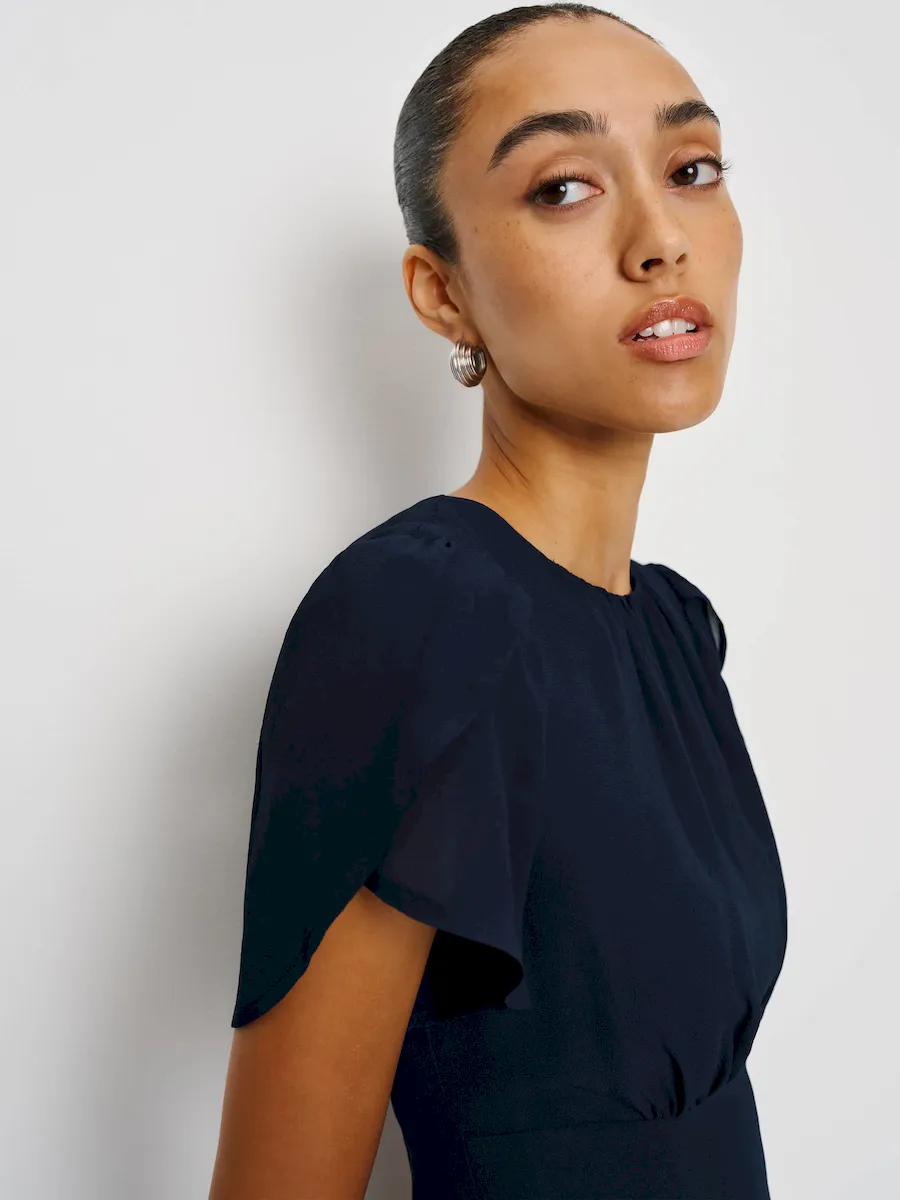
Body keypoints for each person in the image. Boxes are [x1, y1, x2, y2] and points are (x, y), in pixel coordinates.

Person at [208, 5, 788, 1198]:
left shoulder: (673, 632)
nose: (659, 240)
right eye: (564, 188)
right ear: (442, 295)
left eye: (691, 169)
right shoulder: (416, 613)